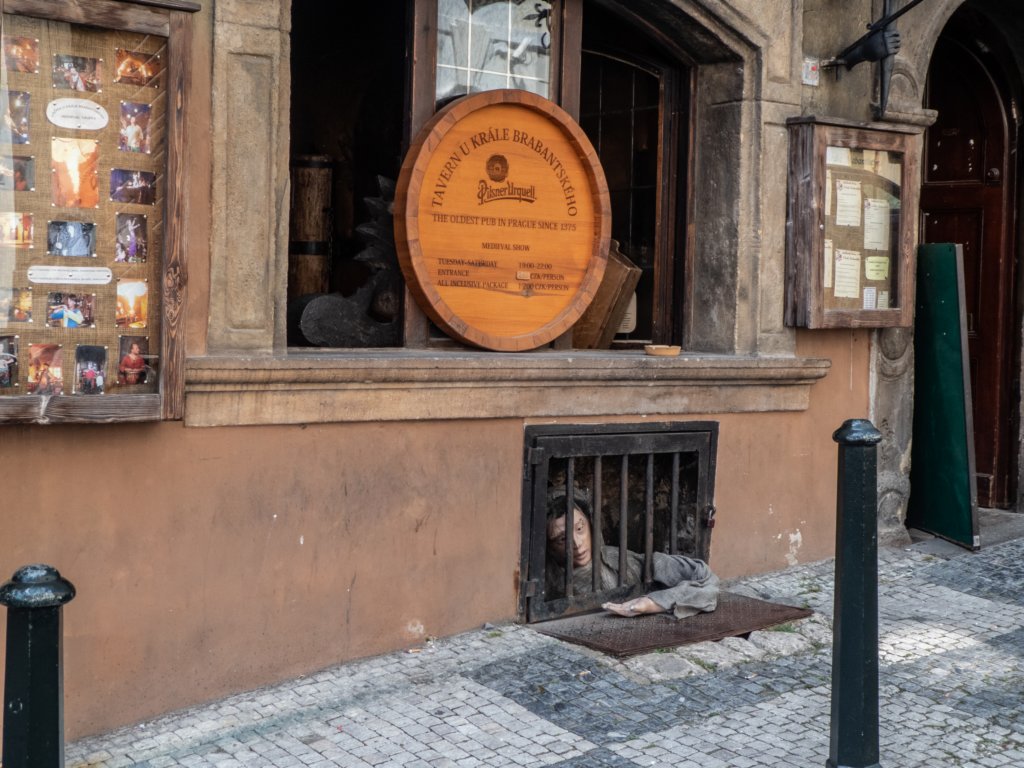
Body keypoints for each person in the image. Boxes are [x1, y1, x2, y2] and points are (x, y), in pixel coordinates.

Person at [545, 488, 719, 619]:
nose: (576, 544)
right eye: (562, 539)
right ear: (549, 546)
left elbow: (705, 578)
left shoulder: (618, 560)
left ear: (591, 525)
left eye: (579, 529)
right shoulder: (546, 588)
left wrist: (653, 602)